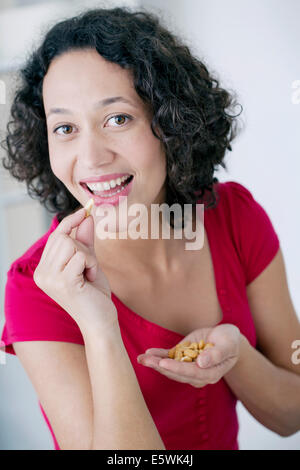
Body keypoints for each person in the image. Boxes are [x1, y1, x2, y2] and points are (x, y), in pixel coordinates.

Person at [1, 6, 300, 451]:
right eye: (64, 128)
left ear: (170, 121)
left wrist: (236, 356)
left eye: (118, 118)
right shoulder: (35, 288)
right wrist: (99, 325)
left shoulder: (234, 217)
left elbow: (291, 414)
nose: (92, 158)